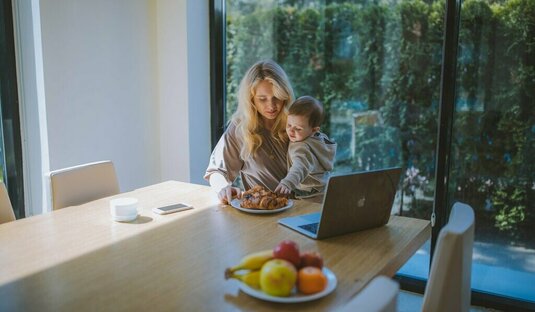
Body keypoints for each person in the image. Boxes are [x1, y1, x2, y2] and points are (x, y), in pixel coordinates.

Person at [204, 59, 295, 204]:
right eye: (262, 99)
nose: (271, 106)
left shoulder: (296, 123)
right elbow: (216, 172)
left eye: (276, 97)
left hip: (303, 209)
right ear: (251, 100)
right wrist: (223, 188)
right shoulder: (241, 128)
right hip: (263, 212)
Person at [274, 96, 337, 199]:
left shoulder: (301, 147)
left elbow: (300, 166)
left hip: (309, 193)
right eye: (289, 125)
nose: (291, 131)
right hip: (323, 187)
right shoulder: (320, 139)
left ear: (313, 130)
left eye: (298, 129)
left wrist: (287, 182)